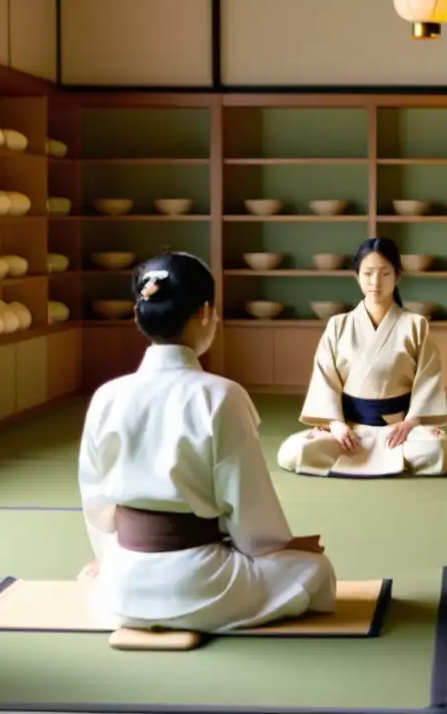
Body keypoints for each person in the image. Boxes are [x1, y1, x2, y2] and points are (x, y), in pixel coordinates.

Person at [77, 251, 337, 633]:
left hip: (122, 587)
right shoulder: (221, 396)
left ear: (137, 316)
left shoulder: (107, 396)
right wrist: (282, 546)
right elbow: (250, 513)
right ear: (205, 314)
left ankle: (115, 584)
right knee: (315, 570)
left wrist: (108, 558)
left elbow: (95, 498)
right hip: (199, 585)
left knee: (108, 570)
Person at [276, 237, 447, 478]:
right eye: (367, 273)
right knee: (294, 451)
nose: (375, 282)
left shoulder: (415, 325)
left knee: (437, 450)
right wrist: (336, 424)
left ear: (397, 277)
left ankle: (387, 451)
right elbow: (326, 381)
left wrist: (410, 423)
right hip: (350, 431)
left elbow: (428, 380)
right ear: (357, 276)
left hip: (397, 431)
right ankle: (355, 447)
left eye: (385, 274)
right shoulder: (338, 325)